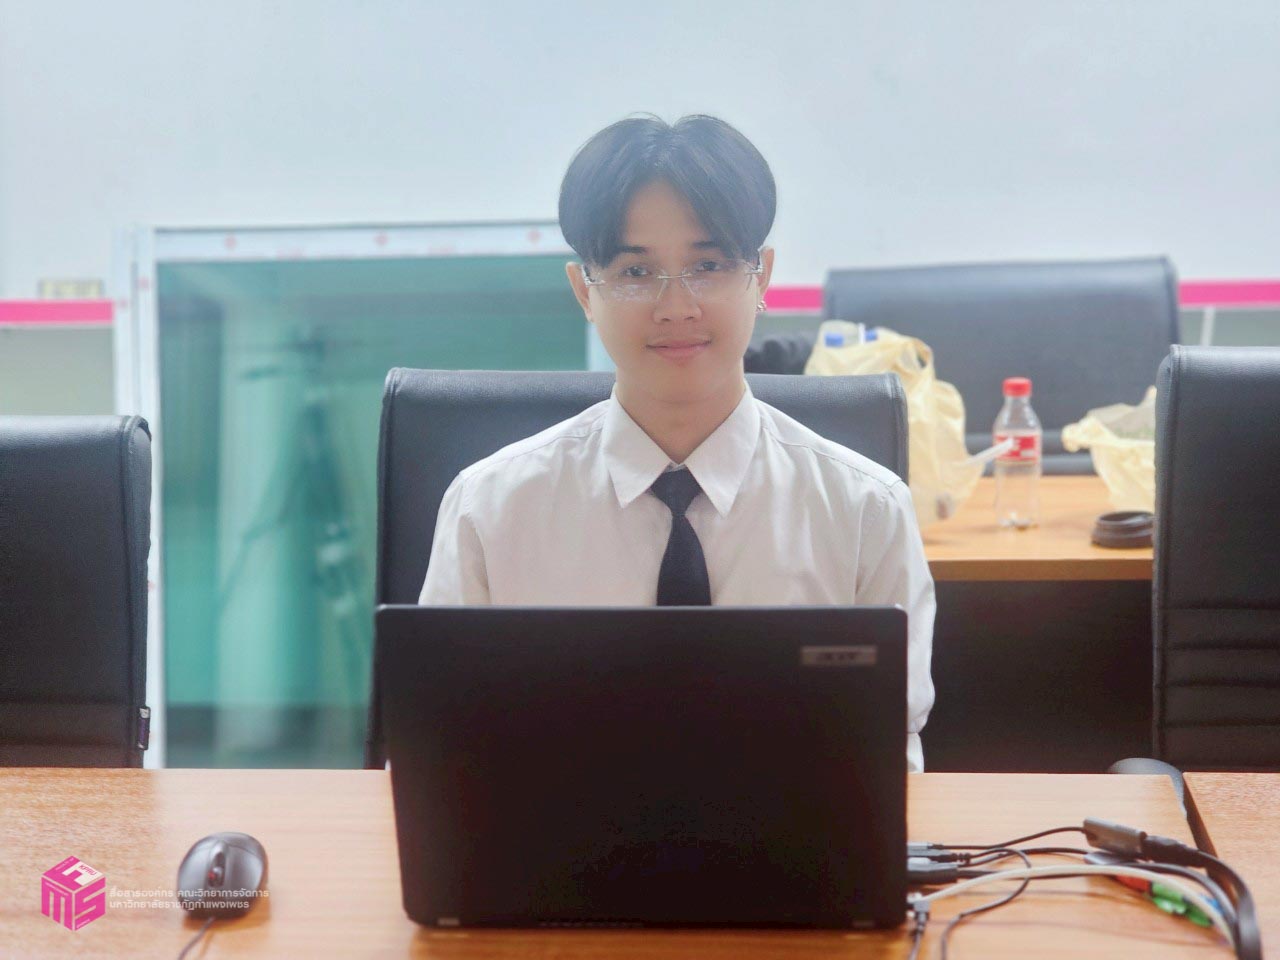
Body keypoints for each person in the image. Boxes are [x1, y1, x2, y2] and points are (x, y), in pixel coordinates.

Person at [420, 114, 935, 770]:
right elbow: (436, 751)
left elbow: (889, 754)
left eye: (707, 265)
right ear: (584, 292)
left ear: (761, 277)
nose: (676, 306)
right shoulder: (490, 509)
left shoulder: (865, 510)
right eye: (636, 271)